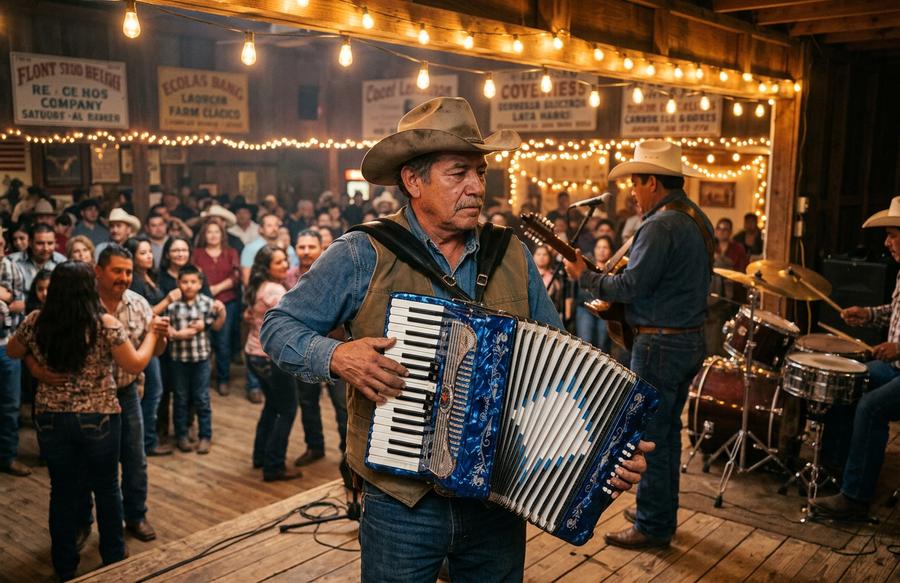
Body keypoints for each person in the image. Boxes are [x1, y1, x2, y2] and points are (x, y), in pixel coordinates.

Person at [261, 97, 651, 581]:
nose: (476, 187)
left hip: (500, 499)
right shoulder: (363, 253)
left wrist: (607, 452)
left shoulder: (510, 254)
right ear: (413, 180)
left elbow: (564, 373)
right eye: (458, 173)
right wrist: (338, 355)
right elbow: (278, 328)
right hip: (401, 504)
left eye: (480, 173)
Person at [566, 138, 711, 550]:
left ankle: (652, 525)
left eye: (635, 181)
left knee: (649, 436)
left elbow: (632, 285)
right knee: (666, 433)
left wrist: (585, 275)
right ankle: (659, 510)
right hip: (687, 341)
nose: (632, 190)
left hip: (660, 345)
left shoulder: (661, 224)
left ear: (653, 183)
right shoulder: (694, 216)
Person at [8, 261, 163, 581]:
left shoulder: (36, 321)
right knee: (107, 488)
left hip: (51, 418)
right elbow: (134, 365)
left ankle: (64, 565)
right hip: (99, 417)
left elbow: (12, 350)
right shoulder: (103, 324)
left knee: (62, 491)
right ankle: (114, 557)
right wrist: (151, 335)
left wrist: (36, 368)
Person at [812, 196, 900, 521]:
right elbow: (894, 312)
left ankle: (855, 497)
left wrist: (899, 348)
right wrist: (868, 315)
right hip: (893, 368)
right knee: (845, 380)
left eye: (893, 234)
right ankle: (838, 468)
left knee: (870, 406)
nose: (886, 241)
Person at [93, 245, 169, 542]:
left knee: (135, 458)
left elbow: (156, 351)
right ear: (98, 271)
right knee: (94, 462)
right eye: (116, 271)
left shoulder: (138, 304)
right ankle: (83, 521)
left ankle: (135, 516)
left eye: (127, 271)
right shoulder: (84, 303)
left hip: (127, 392)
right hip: (91, 399)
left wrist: (160, 335)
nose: (123, 277)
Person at [285, 229, 348, 468]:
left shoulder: (335, 273)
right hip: (304, 350)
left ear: (322, 247)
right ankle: (315, 446)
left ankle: (347, 455)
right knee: (308, 402)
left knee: (342, 404)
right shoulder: (288, 276)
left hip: (336, 348)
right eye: (301, 247)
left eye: (310, 246)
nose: (305, 251)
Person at [244, 246, 300, 481]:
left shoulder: (259, 286)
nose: (285, 265)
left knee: (272, 406)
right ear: (267, 267)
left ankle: (260, 456)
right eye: (279, 262)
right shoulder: (275, 291)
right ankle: (274, 466)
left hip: (254, 353)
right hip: (271, 357)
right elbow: (292, 321)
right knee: (287, 409)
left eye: (285, 260)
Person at [165, 264, 226, 454]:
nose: (189, 286)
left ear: (200, 283)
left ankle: (205, 436)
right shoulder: (172, 306)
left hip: (201, 359)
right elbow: (166, 329)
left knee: (202, 398)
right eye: (185, 282)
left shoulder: (207, 303)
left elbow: (216, 326)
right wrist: (177, 334)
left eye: (193, 282)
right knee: (181, 398)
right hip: (179, 359)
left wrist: (222, 312)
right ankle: (181, 435)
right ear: (178, 283)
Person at [124, 237, 172, 457]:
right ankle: (146, 442)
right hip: (142, 341)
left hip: (154, 340)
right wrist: (169, 299)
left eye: (150, 252)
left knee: (155, 391)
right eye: (143, 253)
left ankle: (145, 440)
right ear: (132, 257)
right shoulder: (134, 281)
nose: (149, 256)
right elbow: (144, 314)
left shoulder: (149, 277)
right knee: (152, 392)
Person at [193, 220, 240, 397]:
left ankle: (223, 379)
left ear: (222, 235)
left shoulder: (230, 252)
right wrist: (207, 291)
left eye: (216, 232)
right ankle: (202, 381)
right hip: (200, 303)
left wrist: (215, 289)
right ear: (204, 235)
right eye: (209, 232)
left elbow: (235, 277)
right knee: (204, 342)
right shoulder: (196, 253)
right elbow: (194, 275)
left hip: (227, 302)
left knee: (223, 343)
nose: (213, 235)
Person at [0, 246, 27, 477]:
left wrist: (8, 300)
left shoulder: (12, 267)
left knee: (10, 405)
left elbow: (20, 303)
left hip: (6, 342)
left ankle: (7, 457)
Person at [706, 217, 748, 355]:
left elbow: (742, 272)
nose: (722, 232)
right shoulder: (710, 246)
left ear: (730, 232)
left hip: (732, 293)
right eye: (719, 228)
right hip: (713, 294)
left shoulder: (738, 248)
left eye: (726, 229)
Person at [575, 235, 615, 353]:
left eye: (605, 247)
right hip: (585, 307)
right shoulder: (586, 265)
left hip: (605, 311)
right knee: (586, 343)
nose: (601, 250)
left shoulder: (614, 269)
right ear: (594, 249)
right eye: (598, 247)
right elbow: (580, 290)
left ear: (611, 251)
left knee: (603, 344)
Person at [240, 214, 298, 285]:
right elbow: (246, 279)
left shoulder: (288, 248)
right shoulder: (250, 248)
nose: (274, 229)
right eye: (269, 225)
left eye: (276, 225)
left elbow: (294, 272)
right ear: (261, 229)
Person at [8, 223, 67, 290]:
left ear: (55, 242)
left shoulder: (62, 262)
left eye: (50, 243)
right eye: (40, 243)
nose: (46, 248)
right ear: (30, 243)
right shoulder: (11, 261)